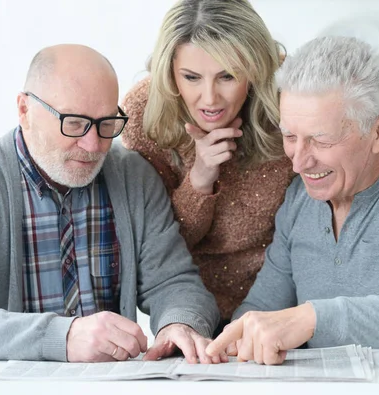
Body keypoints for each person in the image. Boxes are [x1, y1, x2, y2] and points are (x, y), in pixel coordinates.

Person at [0, 44, 225, 364]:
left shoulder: (133, 177)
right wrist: (64, 337)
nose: (93, 145)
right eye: (73, 123)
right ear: (24, 110)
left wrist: (178, 322)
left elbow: (175, 282)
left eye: (106, 124)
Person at [206, 36, 379, 364]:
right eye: (290, 137)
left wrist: (312, 319)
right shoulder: (297, 201)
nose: (298, 162)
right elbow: (262, 306)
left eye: (321, 140)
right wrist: (238, 335)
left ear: (378, 132)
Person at [121, 0, 295, 329]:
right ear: (169, 72)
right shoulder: (143, 114)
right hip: (187, 310)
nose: (210, 98)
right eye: (191, 77)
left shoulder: (285, 106)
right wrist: (199, 179)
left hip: (281, 305)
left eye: (227, 76)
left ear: (255, 70)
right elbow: (156, 250)